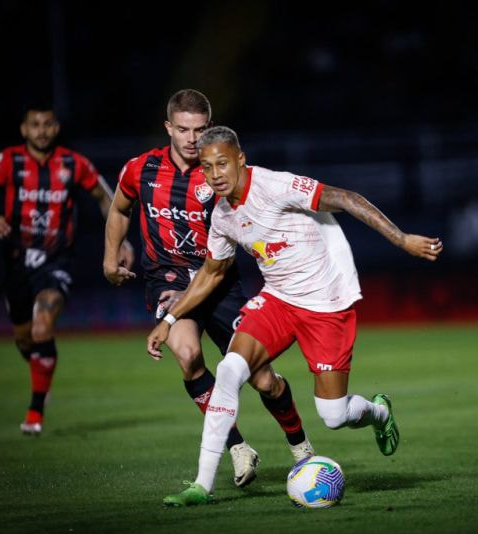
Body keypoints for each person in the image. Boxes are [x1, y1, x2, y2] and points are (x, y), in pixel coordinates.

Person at [146, 126, 443, 506]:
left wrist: (401, 239)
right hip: (278, 301)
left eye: (222, 163)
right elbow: (212, 273)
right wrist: (170, 320)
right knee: (229, 370)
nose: (215, 174)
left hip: (326, 304)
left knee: (334, 415)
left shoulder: (275, 186)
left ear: (240, 159)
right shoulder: (222, 216)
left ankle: (379, 413)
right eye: (207, 167)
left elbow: (346, 198)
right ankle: (202, 486)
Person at [103, 90, 314, 489]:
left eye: (199, 130)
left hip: (218, 280)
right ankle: (237, 447)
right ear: (168, 127)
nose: (191, 138)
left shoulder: (219, 174)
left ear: (210, 127)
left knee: (263, 380)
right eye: (183, 129)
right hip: (167, 279)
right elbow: (119, 208)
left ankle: (301, 446)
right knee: (187, 354)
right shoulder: (140, 169)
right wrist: (110, 258)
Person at [0, 102, 135, 436]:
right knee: (25, 338)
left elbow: (107, 199)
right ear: (24, 129)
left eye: (48, 124)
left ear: (56, 128)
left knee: (43, 325)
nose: (41, 131)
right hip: (16, 261)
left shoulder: (74, 164)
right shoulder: (8, 161)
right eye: (35, 125)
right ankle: (39, 369)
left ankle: (35, 412)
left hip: (58, 260)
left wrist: (122, 242)